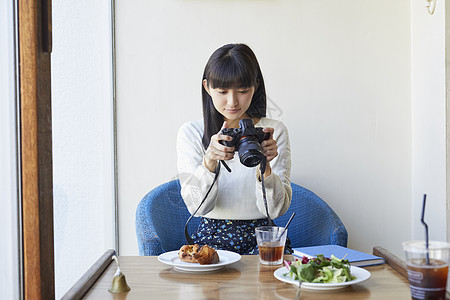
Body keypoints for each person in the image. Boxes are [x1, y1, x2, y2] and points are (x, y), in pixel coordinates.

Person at [177, 43, 292, 255]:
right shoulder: (191, 133)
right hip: (210, 241)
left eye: (243, 91)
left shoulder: (272, 131)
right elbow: (198, 209)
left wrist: (264, 168)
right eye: (222, 91)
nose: (232, 102)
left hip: (264, 239)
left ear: (255, 86)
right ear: (207, 87)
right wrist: (209, 162)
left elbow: (275, 210)